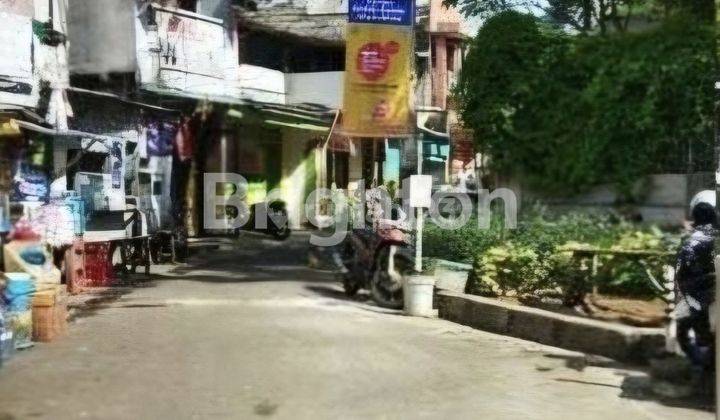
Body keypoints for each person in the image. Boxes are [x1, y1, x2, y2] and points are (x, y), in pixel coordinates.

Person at [674, 201, 716, 369]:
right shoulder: (712, 236)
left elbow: (683, 270)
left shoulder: (692, 240)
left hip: (698, 296)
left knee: (685, 331)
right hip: (707, 294)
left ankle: (703, 367)